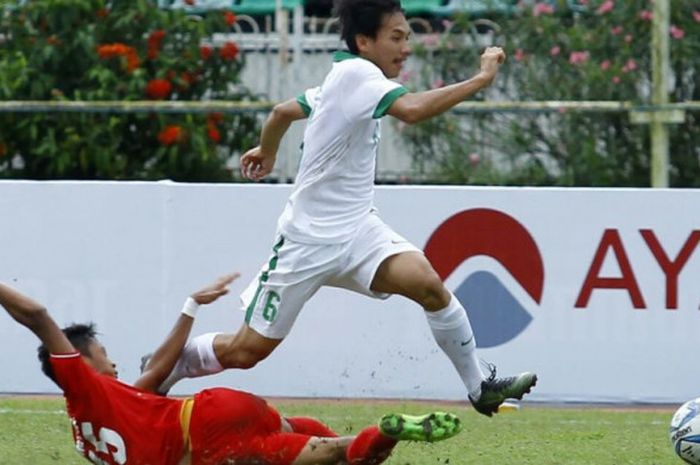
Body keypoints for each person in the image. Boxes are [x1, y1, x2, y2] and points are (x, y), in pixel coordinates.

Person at [159, 0, 537, 416]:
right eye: (396, 37)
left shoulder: (346, 78)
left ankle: (479, 387)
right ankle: (167, 366)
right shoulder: (358, 74)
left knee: (429, 284)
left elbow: (282, 111)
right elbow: (411, 111)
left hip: (358, 232)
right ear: (363, 41)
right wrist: (481, 79)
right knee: (245, 351)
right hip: (307, 240)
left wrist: (267, 152)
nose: (406, 47)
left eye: (408, 36)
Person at [0, 274, 462, 465]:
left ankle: (388, 430)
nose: (111, 360)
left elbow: (158, 371)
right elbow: (38, 316)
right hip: (219, 407)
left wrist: (188, 307)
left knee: (340, 454)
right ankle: (374, 436)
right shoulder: (86, 387)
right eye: (101, 353)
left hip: (211, 438)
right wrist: (189, 306)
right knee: (314, 439)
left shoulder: (89, 427)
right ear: (78, 363)